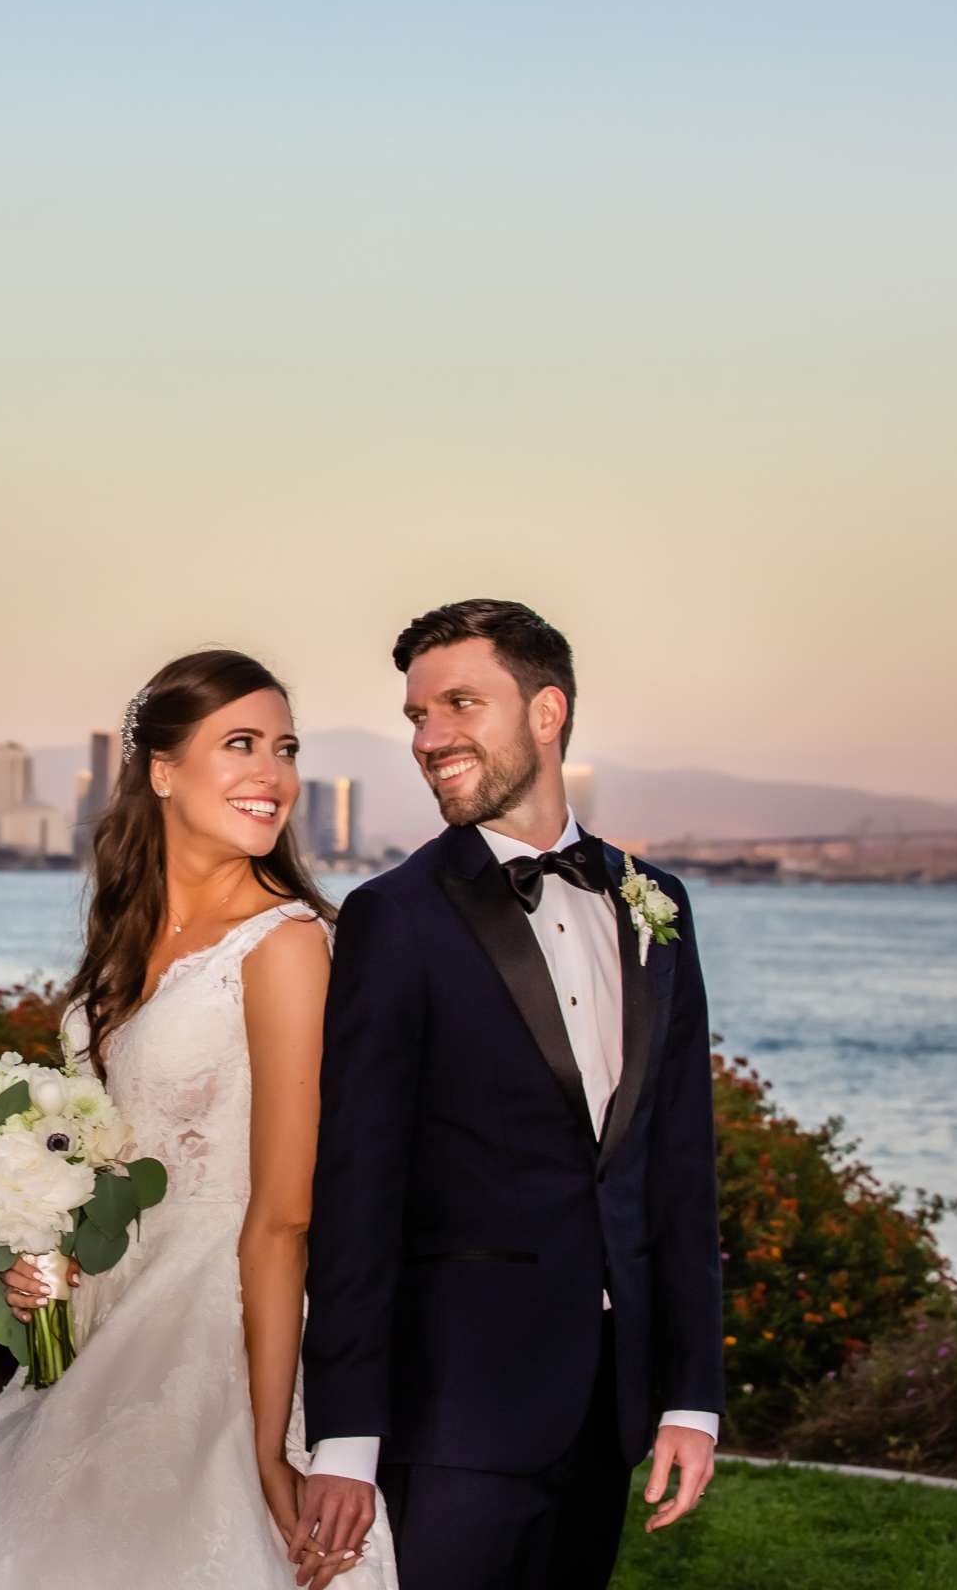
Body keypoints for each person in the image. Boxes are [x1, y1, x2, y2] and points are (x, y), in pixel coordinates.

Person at [0, 648, 395, 1590]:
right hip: (106, 1314)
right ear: (161, 769)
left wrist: (268, 1448)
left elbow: (285, 1216)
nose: (272, 775)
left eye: (285, 747)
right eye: (239, 744)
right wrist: (45, 1253)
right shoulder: (127, 943)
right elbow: (112, 1161)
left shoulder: (288, 946)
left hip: (220, 1324)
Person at [291, 599, 724, 1590]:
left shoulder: (657, 904)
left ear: (547, 712)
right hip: (452, 1407)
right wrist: (347, 1436)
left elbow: (680, 1164)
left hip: (610, 1403)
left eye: (458, 704)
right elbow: (355, 1188)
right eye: (415, 716)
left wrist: (690, 1398)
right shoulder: (393, 918)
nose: (429, 738)